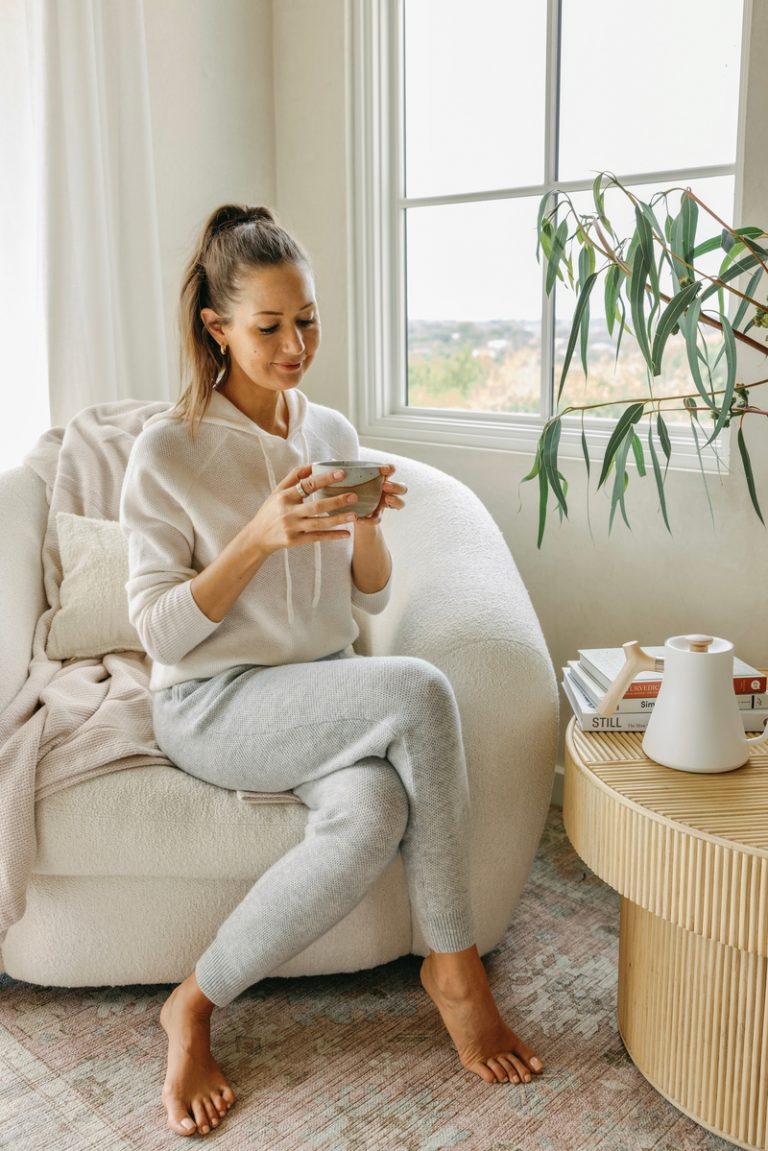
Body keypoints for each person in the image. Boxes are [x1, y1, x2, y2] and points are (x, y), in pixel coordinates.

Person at [119, 204, 544, 1138]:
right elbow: (156, 627)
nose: (295, 344)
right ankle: (454, 967)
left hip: (320, 693)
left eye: (306, 319)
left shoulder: (331, 428)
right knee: (420, 688)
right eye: (269, 326)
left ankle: (191, 1001)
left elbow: (368, 588)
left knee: (375, 813)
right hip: (214, 701)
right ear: (216, 327)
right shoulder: (168, 450)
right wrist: (258, 536)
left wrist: (365, 520)